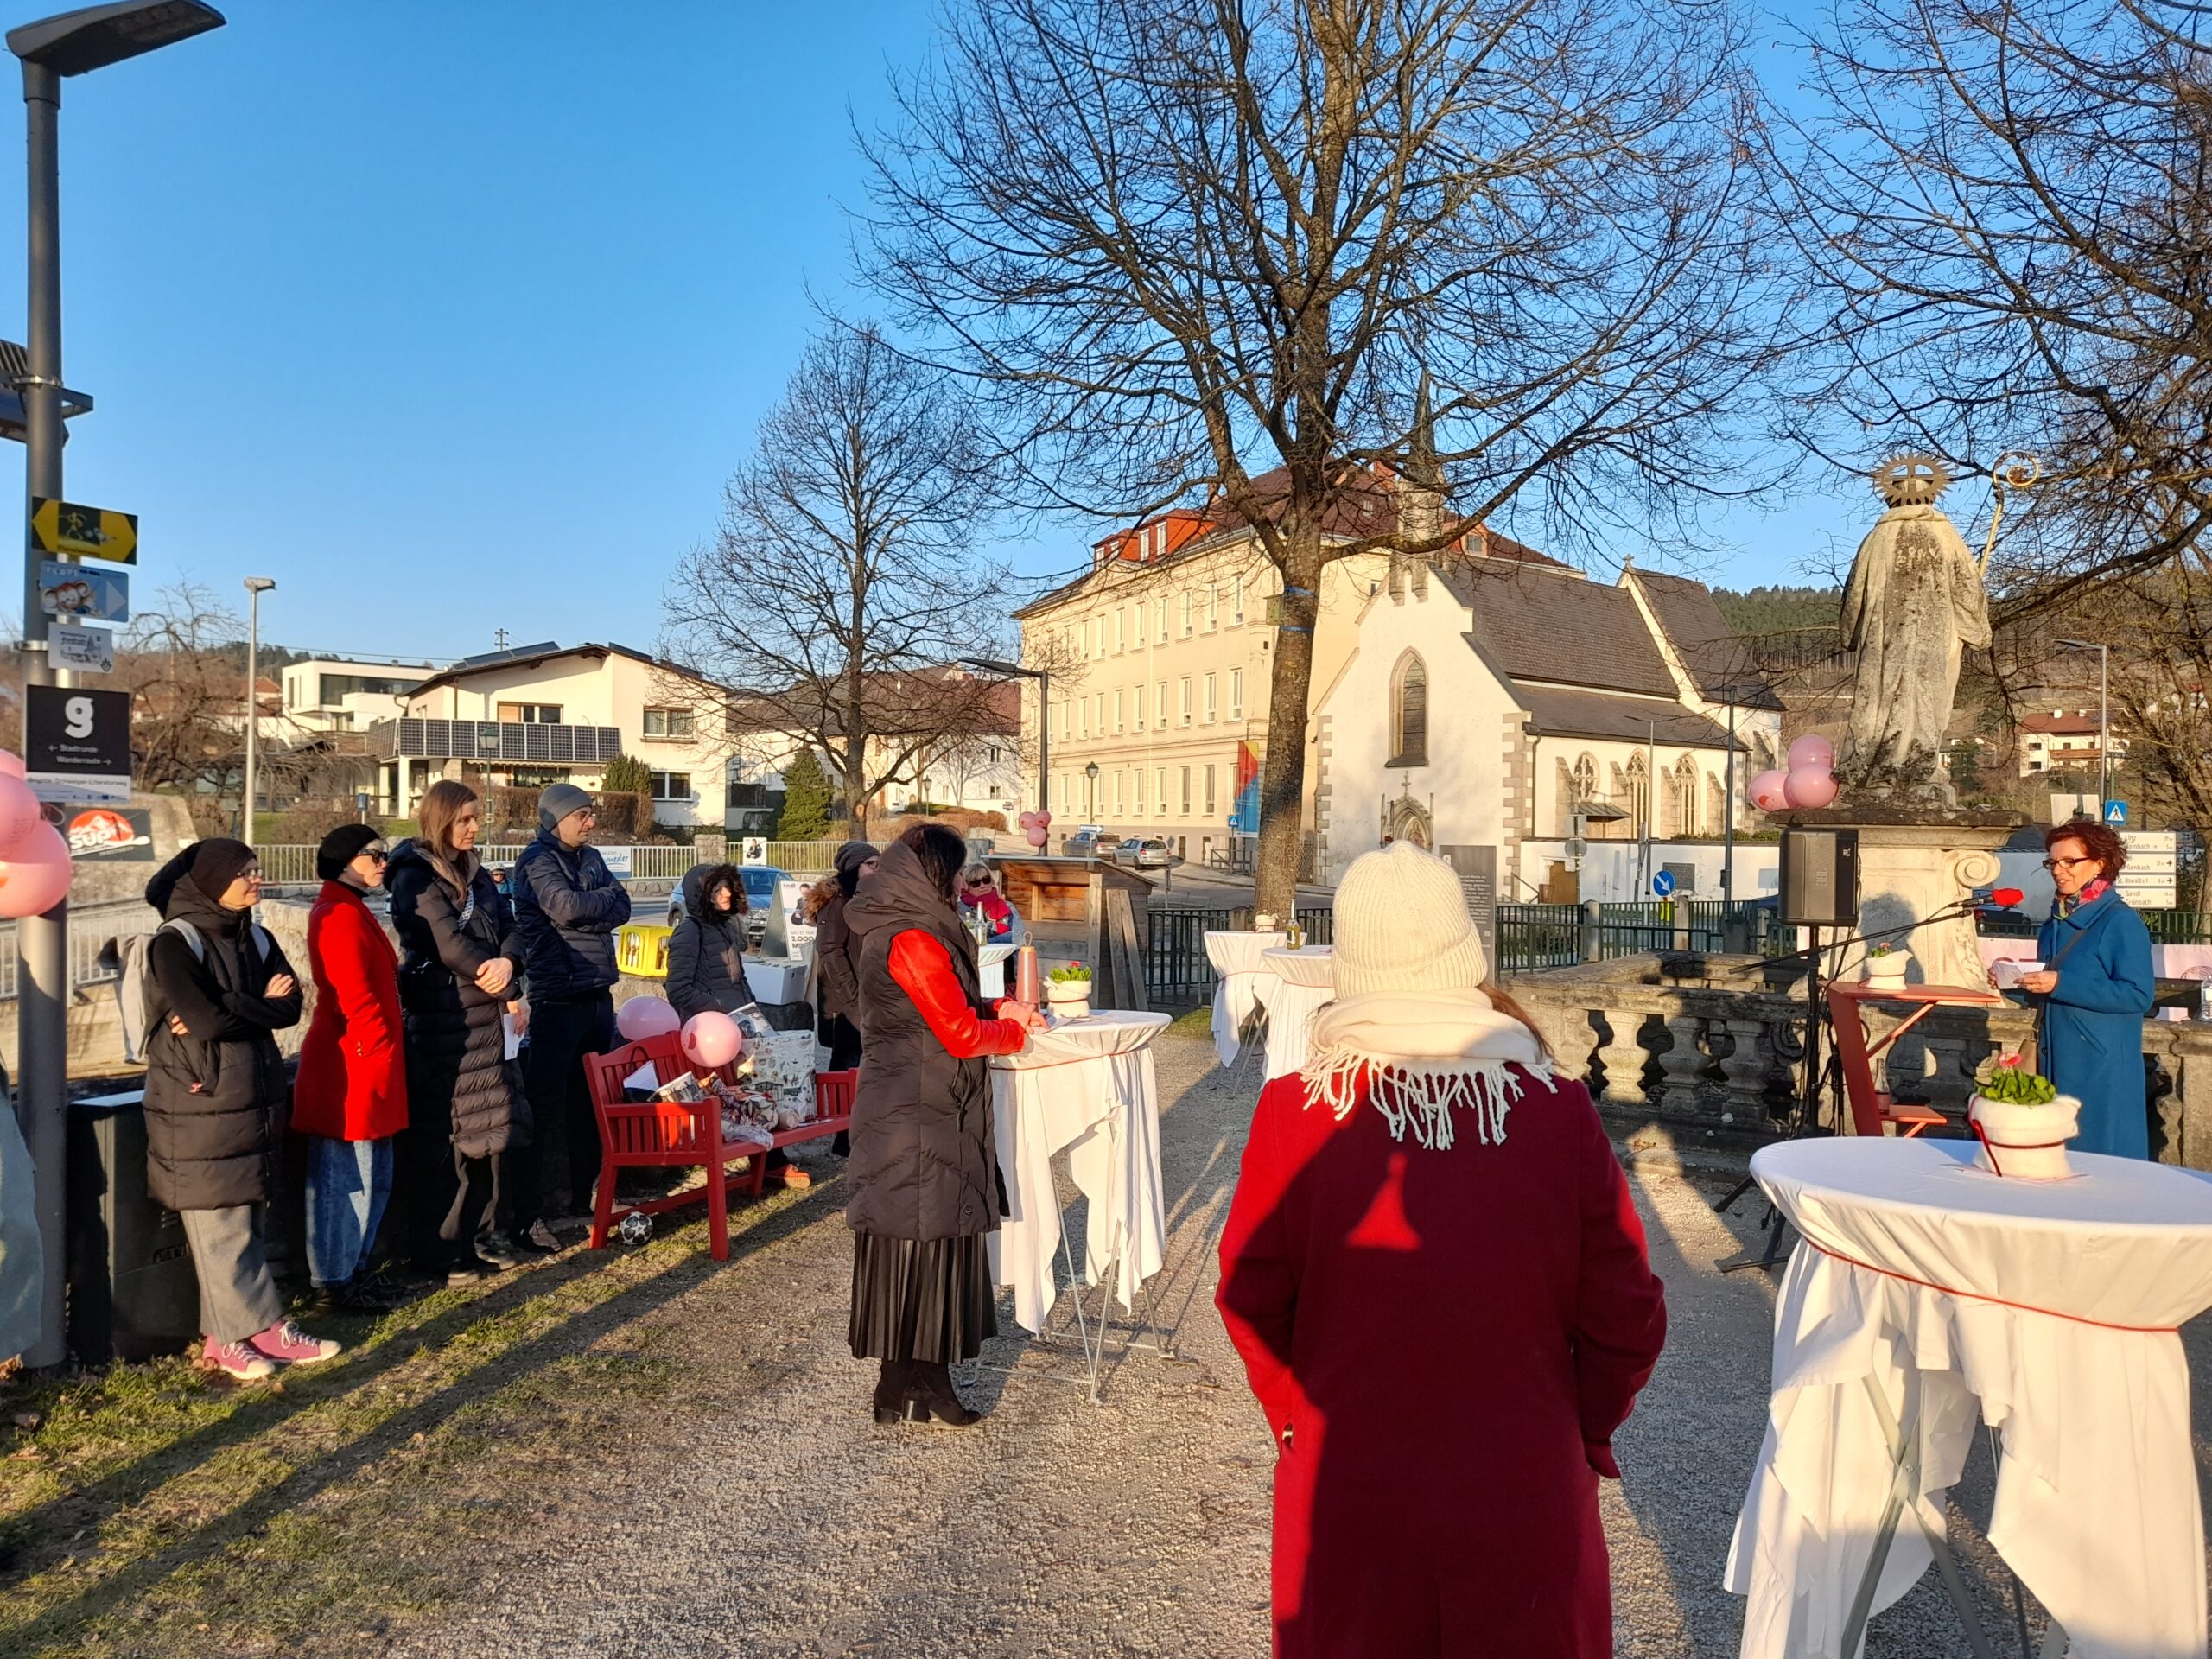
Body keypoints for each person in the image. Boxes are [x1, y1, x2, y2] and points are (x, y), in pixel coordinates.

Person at [1216, 842, 1667, 1656]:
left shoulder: (1295, 1110)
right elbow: (1627, 1315)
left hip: (1347, 1476)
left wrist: (1293, 1414)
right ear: (1464, 956)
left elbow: (1250, 1294)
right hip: (1522, 1473)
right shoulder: (1554, 1107)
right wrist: (1583, 1428)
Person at [843, 823, 1044, 1426]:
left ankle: (909, 1385)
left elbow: (942, 1008)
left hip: (911, 1100)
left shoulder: (900, 924)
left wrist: (995, 1007)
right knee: (923, 1243)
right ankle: (915, 1385)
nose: (963, 883)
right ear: (936, 874)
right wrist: (1012, 1030)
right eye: (957, 872)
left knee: (919, 1243)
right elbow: (955, 1034)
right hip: (920, 1109)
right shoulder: (914, 937)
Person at [141, 839, 338, 1381]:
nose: (258, 881)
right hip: (199, 1105)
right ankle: (243, 1335)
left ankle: (235, 1334)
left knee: (244, 1219)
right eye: (246, 873)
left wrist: (231, 1005)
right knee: (219, 1226)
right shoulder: (174, 944)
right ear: (212, 880)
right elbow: (203, 1024)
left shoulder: (254, 933)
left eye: (257, 870)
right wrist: (256, 1005)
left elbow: (292, 1006)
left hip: (249, 1098)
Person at [388, 781, 541, 1285]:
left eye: (477, 818)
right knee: (446, 1141)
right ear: (441, 820)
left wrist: (509, 962)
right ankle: (436, 1252)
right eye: (465, 820)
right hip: (445, 1019)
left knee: (485, 1135)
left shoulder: (478, 875)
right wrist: (496, 977)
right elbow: (446, 943)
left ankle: (475, 1239)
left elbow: (511, 924)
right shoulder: (415, 877)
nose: (475, 828)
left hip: (485, 1020)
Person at [293, 824, 409, 1314]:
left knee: (372, 1171)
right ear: (345, 861)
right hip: (353, 1062)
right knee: (348, 1175)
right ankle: (334, 1279)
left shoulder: (349, 907)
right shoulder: (338, 912)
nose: (383, 863)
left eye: (384, 854)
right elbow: (353, 995)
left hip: (364, 1056)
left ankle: (352, 1269)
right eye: (373, 855)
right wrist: (379, 1046)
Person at [512, 782, 632, 1221]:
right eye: (582, 815)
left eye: (591, 813)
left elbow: (624, 906)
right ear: (555, 819)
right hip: (557, 997)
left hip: (597, 994)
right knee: (545, 1107)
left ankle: (587, 1199)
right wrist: (597, 904)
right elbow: (564, 908)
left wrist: (593, 905)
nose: (591, 821)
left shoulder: (592, 857)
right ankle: (530, 1212)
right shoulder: (537, 860)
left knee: (592, 1104)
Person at [668, 861, 807, 1192]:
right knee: (747, 1091)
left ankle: (771, 1158)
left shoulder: (727, 927)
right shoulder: (689, 931)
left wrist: (752, 1009)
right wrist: (721, 1011)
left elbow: (738, 978)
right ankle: (769, 1161)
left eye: (729, 886)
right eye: (717, 889)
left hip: (741, 1024)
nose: (726, 893)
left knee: (765, 1086)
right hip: (713, 1033)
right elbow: (678, 988)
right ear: (701, 895)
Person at [2021, 817, 2156, 1159]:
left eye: (2069, 861)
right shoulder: (2055, 922)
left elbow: (2138, 995)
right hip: (2055, 1061)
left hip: (2101, 1068)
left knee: (2100, 1167)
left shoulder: (2120, 921)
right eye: (2052, 862)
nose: (2058, 870)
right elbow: (2052, 990)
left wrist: (2061, 983)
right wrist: (2017, 982)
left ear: (2099, 864)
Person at [811, 840, 878, 1075]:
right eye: (870, 864)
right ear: (854, 867)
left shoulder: (864, 900)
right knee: (846, 1070)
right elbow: (830, 952)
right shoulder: (836, 902)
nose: (876, 870)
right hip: (844, 1004)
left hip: (861, 999)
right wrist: (853, 996)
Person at [956, 861, 1022, 946]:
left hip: (1002, 956)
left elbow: (1018, 937)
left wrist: (988, 942)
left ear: (992, 881)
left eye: (986, 880)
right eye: (975, 883)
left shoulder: (1007, 906)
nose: (983, 885)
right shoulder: (959, 909)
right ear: (966, 887)